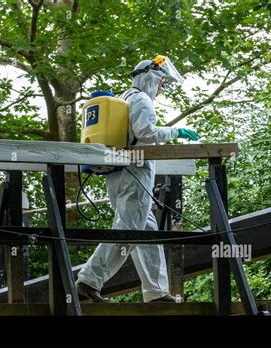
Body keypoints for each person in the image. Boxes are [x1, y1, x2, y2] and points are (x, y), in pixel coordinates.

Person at [76, 56, 199, 303]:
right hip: (135, 174)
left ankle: (156, 292)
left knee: (147, 233)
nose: (162, 87)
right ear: (149, 77)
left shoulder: (124, 98)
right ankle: (89, 280)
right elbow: (147, 133)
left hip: (121, 174)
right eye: (161, 81)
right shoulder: (141, 99)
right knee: (128, 231)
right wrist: (177, 131)